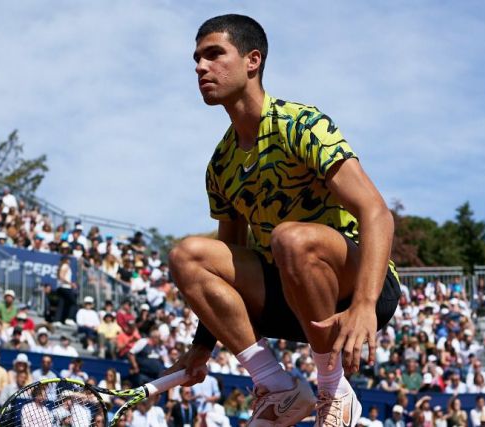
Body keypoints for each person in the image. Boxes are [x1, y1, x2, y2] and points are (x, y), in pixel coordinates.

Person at [167, 13, 401, 427]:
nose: (200, 67)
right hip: (287, 294)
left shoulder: (302, 124)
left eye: (213, 54)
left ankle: (334, 392)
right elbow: (230, 260)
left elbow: (376, 212)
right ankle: (277, 387)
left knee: (291, 239)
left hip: (360, 285)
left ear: (252, 61)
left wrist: (365, 303)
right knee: (188, 255)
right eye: (196, 59)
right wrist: (203, 344)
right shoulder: (221, 165)